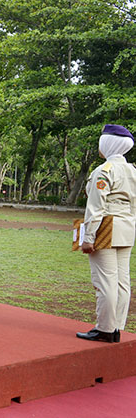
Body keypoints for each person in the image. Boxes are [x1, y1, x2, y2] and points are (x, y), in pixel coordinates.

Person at [76, 124, 136, 343]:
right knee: (122, 281)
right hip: (126, 227)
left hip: (106, 226)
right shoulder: (132, 170)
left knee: (105, 281)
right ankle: (116, 327)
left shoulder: (104, 170)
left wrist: (88, 237)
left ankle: (104, 328)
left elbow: (96, 206)